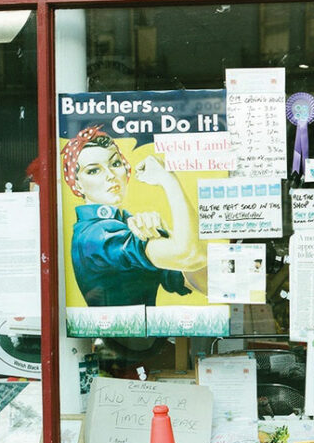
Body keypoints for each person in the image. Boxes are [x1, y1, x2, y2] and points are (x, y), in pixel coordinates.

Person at [61, 125, 207, 307]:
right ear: (78, 185)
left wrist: (166, 235)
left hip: (153, 334)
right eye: (93, 170)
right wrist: (169, 180)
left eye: (115, 164)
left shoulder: (125, 224)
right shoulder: (96, 234)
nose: (110, 175)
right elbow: (190, 255)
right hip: (114, 334)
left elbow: (205, 282)